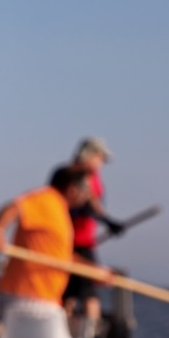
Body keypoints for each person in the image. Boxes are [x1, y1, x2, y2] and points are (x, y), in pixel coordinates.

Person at [0, 165, 91, 310]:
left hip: (44, 297)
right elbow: (14, 208)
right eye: (86, 190)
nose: (88, 195)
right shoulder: (46, 199)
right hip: (29, 296)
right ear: (72, 189)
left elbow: (62, 257)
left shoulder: (60, 210)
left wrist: (97, 271)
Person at [62, 137, 125, 322]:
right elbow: (89, 202)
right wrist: (108, 221)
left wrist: (106, 221)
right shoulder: (77, 175)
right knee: (88, 293)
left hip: (80, 239)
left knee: (71, 292)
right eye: (100, 158)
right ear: (90, 155)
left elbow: (93, 204)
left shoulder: (87, 175)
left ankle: (72, 331)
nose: (101, 163)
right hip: (76, 242)